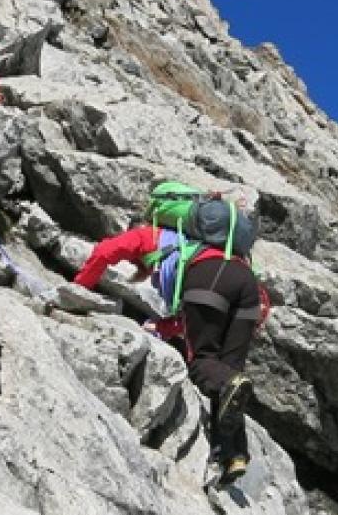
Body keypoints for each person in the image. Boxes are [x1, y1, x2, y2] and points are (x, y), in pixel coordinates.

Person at [74, 183, 267, 486]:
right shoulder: (214, 243)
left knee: (204, 362)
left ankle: (230, 438)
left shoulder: (151, 235)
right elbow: (190, 316)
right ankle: (234, 455)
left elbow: (104, 252)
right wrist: (164, 327)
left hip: (208, 275)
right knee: (229, 373)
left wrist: (77, 290)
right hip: (247, 284)